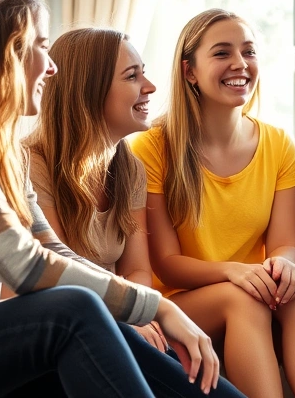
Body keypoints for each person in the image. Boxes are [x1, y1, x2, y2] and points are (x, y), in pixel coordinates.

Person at [0, 0, 220, 397]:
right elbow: (24, 266)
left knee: (94, 320)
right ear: (6, 53)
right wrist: (158, 306)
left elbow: (49, 250)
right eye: (42, 46)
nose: (52, 65)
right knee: (72, 311)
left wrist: (144, 308)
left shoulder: (0, 149)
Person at [28, 27, 241, 397]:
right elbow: (58, 270)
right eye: (132, 76)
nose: (150, 87)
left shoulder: (129, 169)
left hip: (119, 314)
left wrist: (140, 312)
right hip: (73, 328)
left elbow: (136, 269)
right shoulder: (32, 165)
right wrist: (131, 314)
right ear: (87, 90)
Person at [132, 9, 295, 398]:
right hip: (180, 302)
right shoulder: (151, 148)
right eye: (222, 53)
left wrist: (283, 265)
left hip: (248, 284)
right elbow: (167, 266)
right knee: (243, 298)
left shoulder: (278, 144)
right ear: (189, 71)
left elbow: (285, 244)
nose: (240, 64)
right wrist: (234, 272)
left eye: (249, 52)